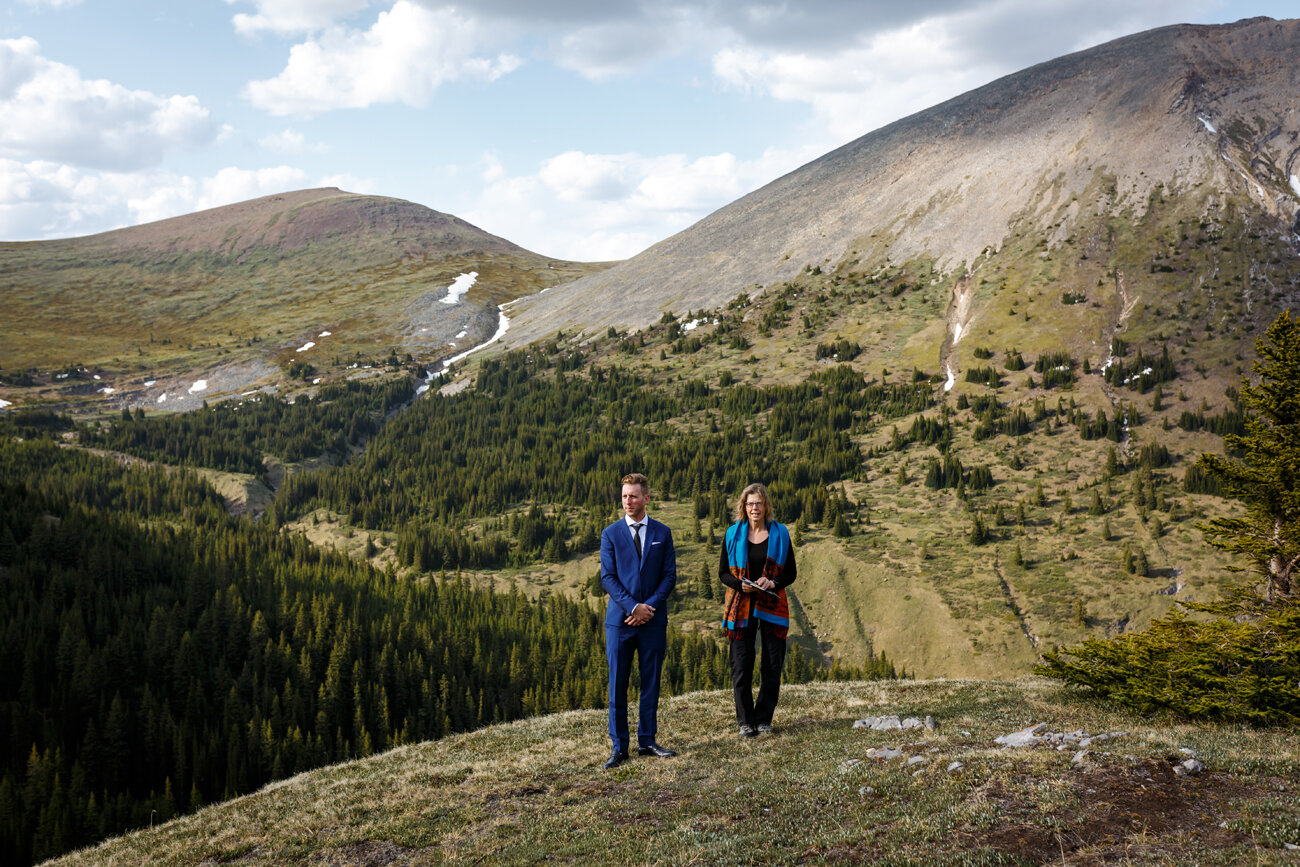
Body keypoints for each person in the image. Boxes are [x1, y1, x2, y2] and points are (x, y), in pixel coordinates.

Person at [600, 472, 678, 769]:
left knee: (651, 683)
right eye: (624, 496)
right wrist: (633, 607)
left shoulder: (662, 533)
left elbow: (669, 576)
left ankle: (647, 740)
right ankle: (620, 747)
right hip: (620, 623)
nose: (627, 501)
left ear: (646, 498)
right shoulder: (611, 534)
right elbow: (608, 577)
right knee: (617, 684)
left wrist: (649, 608)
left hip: (653, 621)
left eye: (633, 496)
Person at [719, 482, 796, 737]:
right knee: (741, 665)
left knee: (772, 665)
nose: (755, 508)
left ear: (766, 506)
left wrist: (772, 582)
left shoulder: (781, 533)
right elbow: (722, 573)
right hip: (741, 606)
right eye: (750, 503)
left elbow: (791, 573)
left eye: (759, 503)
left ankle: (763, 719)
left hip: (773, 604)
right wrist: (741, 585)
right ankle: (744, 721)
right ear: (744, 506)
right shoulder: (732, 534)